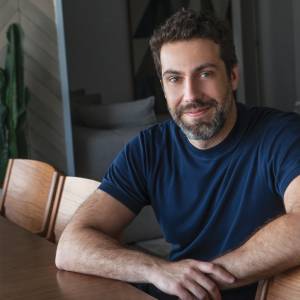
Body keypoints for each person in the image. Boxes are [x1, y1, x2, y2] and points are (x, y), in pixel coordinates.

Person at [55, 8, 300, 300]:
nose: (190, 95)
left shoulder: (281, 135)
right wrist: (156, 270)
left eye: (205, 73)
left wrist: (199, 279)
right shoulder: (148, 149)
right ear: (162, 85)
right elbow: (71, 247)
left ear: (232, 76)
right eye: (174, 79)